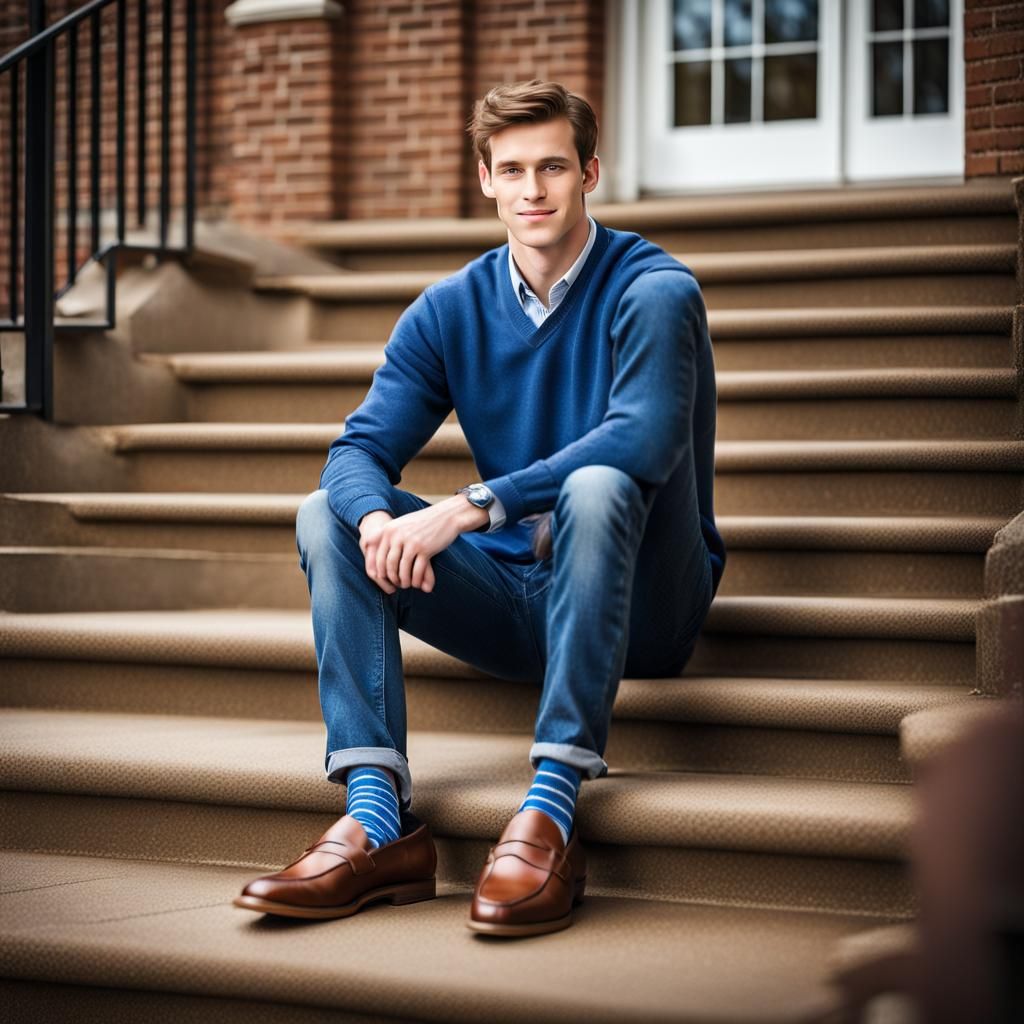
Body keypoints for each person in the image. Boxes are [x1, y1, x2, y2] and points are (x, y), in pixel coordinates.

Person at [234, 79, 726, 937]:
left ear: (590, 173)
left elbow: (641, 442)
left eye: (553, 168)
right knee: (328, 514)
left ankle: (552, 806)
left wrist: (470, 505)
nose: (533, 190)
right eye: (512, 170)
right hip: (518, 601)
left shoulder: (654, 289)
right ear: (485, 181)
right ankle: (377, 820)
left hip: (646, 603)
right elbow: (356, 452)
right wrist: (378, 523)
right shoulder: (449, 310)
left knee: (598, 483)